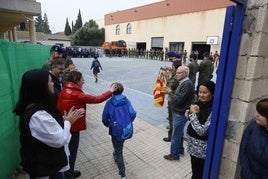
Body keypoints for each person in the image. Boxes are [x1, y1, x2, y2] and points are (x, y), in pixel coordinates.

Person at [13, 69, 85, 179]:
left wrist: (63, 119)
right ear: (40, 87)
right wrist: (68, 122)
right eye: (50, 81)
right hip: (46, 169)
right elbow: (60, 140)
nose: (53, 84)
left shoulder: (37, 106)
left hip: (48, 165)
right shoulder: (37, 116)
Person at [57, 71, 117, 179]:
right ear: (77, 81)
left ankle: (69, 172)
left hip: (67, 124)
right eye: (82, 79)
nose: (84, 81)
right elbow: (97, 99)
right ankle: (68, 175)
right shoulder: (76, 93)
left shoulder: (65, 90)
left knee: (69, 151)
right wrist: (110, 90)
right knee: (71, 152)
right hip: (72, 127)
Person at [102, 82, 136, 179]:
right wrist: (128, 122)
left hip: (115, 129)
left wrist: (107, 124)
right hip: (126, 128)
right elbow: (133, 113)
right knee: (120, 143)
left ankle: (123, 175)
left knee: (119, 152)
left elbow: (104, 118)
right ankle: (116, 151)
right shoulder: (126, 100)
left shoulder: (110, 102)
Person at [163, 65, 195, 160]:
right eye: (176, 72)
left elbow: (178, 100)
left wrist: (170, 92)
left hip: (180, 113)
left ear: (185, 74)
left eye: (178, 73)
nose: (176, 74)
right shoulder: (183, 83)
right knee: (179, 133)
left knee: (175, 135)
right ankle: (180, 149)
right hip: (179, 112)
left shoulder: (187, 84)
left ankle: (174, 154)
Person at [185, 80, 215, 179]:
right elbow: (187, 114)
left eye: (205, 92)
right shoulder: (200, 102)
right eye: (199, 92)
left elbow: (202, 131)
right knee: (195, 169)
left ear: (212, 93)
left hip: (200, 150)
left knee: (198, 174)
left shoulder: (213, 109)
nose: (201, 95)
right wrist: (191, 111)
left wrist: (193, 114)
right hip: (192, 146)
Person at [239, 98, 268, 179]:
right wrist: (247, 174)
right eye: (257, 111)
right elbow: (243, 149)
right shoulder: (253, 126)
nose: (256, 115)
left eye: (261, 114)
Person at [162, 60, 182, 142]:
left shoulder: (176, 77)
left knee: (171, 119)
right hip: (176, 99)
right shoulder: (179, 74)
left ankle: (171, 137)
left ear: (174, 67)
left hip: (173, 99)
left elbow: (169, 87)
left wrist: (168, 77)